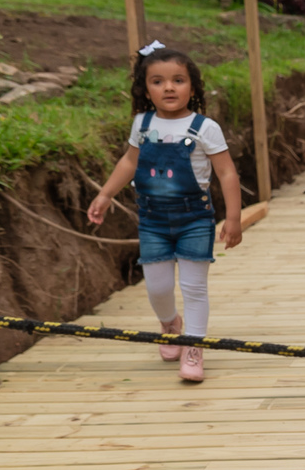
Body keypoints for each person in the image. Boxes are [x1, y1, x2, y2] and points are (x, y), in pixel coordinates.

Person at [88, 42, 242, 382]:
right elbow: (130, 161)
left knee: (194, 288)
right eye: (158, 81)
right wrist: (104, 194)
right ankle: (170, 323)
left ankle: (193, 347)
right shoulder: (142, 124)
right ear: (146, 89)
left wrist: (234, 218)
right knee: (157, 288)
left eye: (178, 80)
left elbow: (227, 173)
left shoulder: (205, 128)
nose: (169, 87)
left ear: (193, 86)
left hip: (194, 219)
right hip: (153, 220)